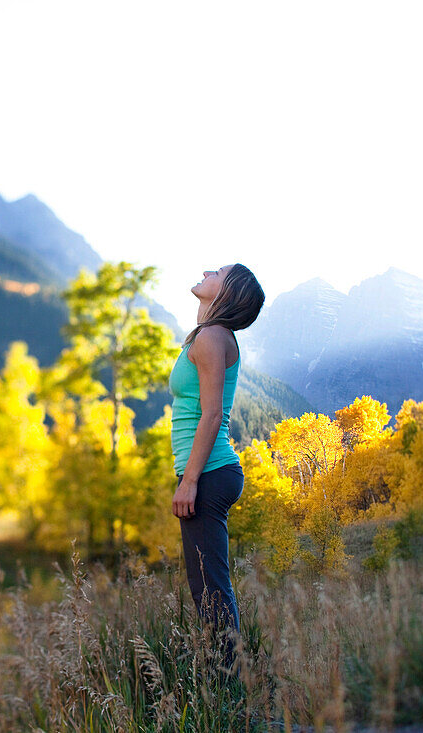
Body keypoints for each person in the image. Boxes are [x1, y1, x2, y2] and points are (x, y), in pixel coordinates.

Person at [168, 262, 265, 671]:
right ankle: (230, 682)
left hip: (207, 474)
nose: (207, 270)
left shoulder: (210, 338)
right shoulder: (212, 336)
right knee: (208, 586)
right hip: (208, 471)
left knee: (210, 589)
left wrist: (189, 482)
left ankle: (231, 690)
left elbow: (210, 417)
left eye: (218, 271)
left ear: (228, 292)